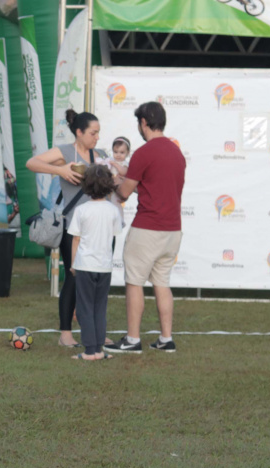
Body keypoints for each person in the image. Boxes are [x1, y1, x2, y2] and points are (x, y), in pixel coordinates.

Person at [106, 101, 185, 354]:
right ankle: (166, 339)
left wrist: (114, 182)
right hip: (173, 229)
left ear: (143, 123)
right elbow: (154, 187)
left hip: (148, 227)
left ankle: (132, 340)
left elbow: (124, 193)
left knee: (134, 282)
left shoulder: (143, 153)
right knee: (162, 283)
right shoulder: (177, 153)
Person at [26, 109, 107, 348]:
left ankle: (96, 331)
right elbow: (31, 163)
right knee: (73, 278)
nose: (97, 137)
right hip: (73, 228)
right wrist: (60, 170)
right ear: (79, 132)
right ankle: (66, 334)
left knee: (97, 279)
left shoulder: (101, 155)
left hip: (99, 228)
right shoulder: (65, 152)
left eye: (99, 133)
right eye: (93, 133)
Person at [68, 165, 122, 361]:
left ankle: (90, 351)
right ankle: (99, 349)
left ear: (86, 185)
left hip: (84, 266)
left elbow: (76, 239)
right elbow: (114, 235)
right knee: (100, 308)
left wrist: (73, 264)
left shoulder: (81, 210)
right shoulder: (114, 211)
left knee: (85, 308)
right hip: (104, 267)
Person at [106, 136, 131, 227]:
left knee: (116, 203)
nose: (118, 155)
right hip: (110, 187)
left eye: (122, 152)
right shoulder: (111, 160)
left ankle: (119, 221)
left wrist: (115, 164)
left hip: (119, 188)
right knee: (108, 203)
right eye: (115, 152)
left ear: (128, 153)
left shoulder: (125, 163)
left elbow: (123, 172)